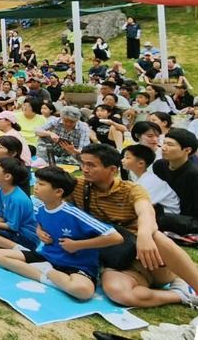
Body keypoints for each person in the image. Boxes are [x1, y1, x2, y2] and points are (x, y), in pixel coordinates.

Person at [54, 144, 198, 308]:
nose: (85, 169)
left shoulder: (131, 189)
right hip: (116, 260)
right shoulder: (77, 186)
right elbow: (55, 208)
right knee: (118, 292)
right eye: (83, 163)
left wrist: (144, 236)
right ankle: (179, 294)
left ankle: (191, 283)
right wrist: (41, 229)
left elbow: (146, 212)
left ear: (112, 170)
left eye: (91, 165)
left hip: (146, 256)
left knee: (155, 236)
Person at [0, 167, 122, 301]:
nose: (36, 187)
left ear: (58, 192)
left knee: (83, 291)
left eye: (41, 184)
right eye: (36, 182)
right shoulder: (39, 207)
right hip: (47, 258)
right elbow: (39, 223)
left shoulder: (74, 214)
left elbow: (116, 237)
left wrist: (77, 245)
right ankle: (48, 277)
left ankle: (46, 272)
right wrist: (39, 231)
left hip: (76, 265)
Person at [152, 129, 198, 235]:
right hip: (166, 211)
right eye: (164, 143)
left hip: (189, 219)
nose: (163, 148)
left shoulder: (194, 174)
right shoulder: (159, 165)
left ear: (187, 150)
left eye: (170, 145)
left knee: (162, 219)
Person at [121, 144, 180, 215]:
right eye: (124, 157)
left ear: (140, 163)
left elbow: (140, 205)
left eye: (127, 158)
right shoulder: (142, 178)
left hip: (168, 215)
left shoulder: (149, 181)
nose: (122, 160)